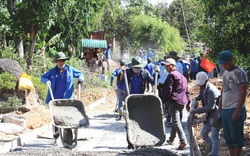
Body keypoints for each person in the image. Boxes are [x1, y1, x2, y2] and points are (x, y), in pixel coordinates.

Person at [41, 51, 84, 142]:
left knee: (67, 118)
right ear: (56, 61)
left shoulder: (70, 70)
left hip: (67, 100)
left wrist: (81, 79)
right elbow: (43, 77)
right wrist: (47, 81)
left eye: (63, 61)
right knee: (57, 119)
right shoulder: (53, 71)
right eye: (59, 61)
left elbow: (80, 74)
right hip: (56, 100)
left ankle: (68, 139)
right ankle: (56, 135)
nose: (61, 63)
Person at [119, 56, 157, 149]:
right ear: (132, 67)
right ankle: (130, 143)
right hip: (130, 100)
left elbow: (154, 81)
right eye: (135, 68)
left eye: (138, 68)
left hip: (140, 100)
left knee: (141, 121)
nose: (137, 69)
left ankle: (141, 142)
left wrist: (156, 74)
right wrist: (121, 73)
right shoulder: (127, 73)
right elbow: (120, 83)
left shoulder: (144, 73)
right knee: (129, 122)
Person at [217, 51, 247, 156]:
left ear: (231, 60)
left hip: (234, 108)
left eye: (225, 63)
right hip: (225, 109)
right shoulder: (225, 73)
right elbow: (223, 90)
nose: (224, 65)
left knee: (236, 137)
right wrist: (220, 107)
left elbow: (243, 92)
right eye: (222, 64)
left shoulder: (240, 73)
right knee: (228, 137)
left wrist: (238, 110)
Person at [187, 71, 221, 156]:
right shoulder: (203, 88)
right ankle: (212, 149)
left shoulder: (211, 91)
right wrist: (195, 99)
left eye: (201, 85)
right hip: (209, 115)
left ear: (207, 81)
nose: (200, 86)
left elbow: (210, 107)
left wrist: (197, 110)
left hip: (216, 115)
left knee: (215, 136)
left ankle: (214, 154)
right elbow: (201, 96)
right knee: (204, 133)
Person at [162, 58, 190, 150]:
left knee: (175, 121)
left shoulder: (171, 75)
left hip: (174, 101)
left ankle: (183, 141)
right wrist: (188, 102)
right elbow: (187, 90)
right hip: (182, 101)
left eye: (167, 66)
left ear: (173, 66)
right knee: (175, 120)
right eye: (165, 66)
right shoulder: (182, 77)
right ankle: (171, 139)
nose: (166, 68)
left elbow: (168, 89)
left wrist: (163, 100)